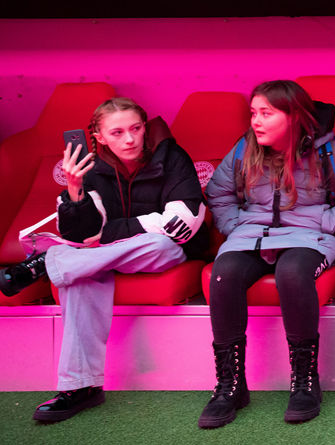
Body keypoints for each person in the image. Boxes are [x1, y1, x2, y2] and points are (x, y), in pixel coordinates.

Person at [0, 98, 206, 423]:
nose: (130, 139)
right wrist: (74, 188)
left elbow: (182, 222)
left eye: (136, 129)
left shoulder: (171, 156)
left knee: (152, 242)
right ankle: (81, 387)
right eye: (118, 132)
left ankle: (48, 262)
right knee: (79, 275)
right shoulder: (91, 168)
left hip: (164, 251)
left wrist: (107, 235)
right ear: (99, 136)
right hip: (101, 258)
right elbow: (82, 235)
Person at [199, 80, 335, 428]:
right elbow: (219, 194)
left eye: (266, 114)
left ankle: (304, 381)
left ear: (293, 118)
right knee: (223, 274)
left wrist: (321, 219)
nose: (256, 121)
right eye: (254, 113)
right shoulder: (245, 149)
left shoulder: (331, 153)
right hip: (251, 236)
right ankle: (230, 384)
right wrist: (235, 226)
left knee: (292, 273)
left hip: (312, 238)